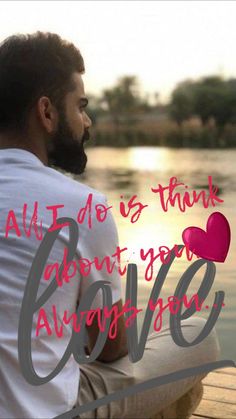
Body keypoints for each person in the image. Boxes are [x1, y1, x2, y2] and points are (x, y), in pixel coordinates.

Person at [0, 32, 220, 419]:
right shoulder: (80, 206)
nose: (86, 121)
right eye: (80, 106)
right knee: (199, 336)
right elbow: (109, 347)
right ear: (47, 112)